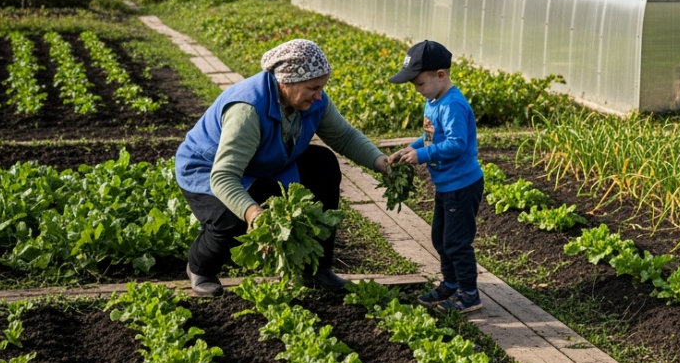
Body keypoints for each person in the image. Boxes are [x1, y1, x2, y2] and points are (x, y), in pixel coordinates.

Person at [176, 39, 389, 297]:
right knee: (232, 217)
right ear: (286, 82)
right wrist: (253, 213)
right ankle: (200, 268)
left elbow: (344, 137)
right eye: (312, 88)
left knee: (323, 165)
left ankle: (316, 270)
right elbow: (224, 176)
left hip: (266, 161)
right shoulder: (248, 109)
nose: (319, 95)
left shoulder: (312, 100)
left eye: (321, 87)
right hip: (208, 168)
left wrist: (381, 162)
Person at [387, 40, 485, 313]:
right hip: (446, 185)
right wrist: (412, 147)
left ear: (440, 75)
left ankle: (469, 295)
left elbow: (457, 144)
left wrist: (423, 156)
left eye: (419, 83)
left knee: (456, 242)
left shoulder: (453, 104)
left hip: (462, 184)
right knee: (440, 238)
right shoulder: (433, 100)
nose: (417, 90)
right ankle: (451, 284)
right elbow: (431, 137)